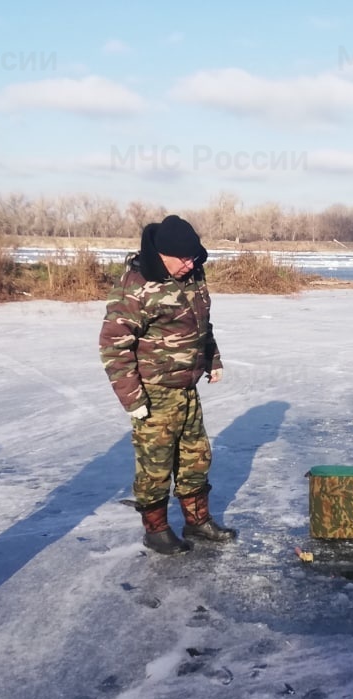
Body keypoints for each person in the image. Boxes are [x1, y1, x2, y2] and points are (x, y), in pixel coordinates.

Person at [99, 214, 236, 555]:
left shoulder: (193, 276)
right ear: (162, 254)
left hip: (188, 389)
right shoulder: (137, 284)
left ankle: (197, 521)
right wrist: (133, 398)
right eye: (184, 259)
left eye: (195, 258)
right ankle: (156, 530)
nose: (190, 265)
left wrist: (211, 359)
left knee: (196, 457)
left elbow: (203, 324)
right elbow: (113, 344)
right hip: (154, 392)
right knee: (155, 465)